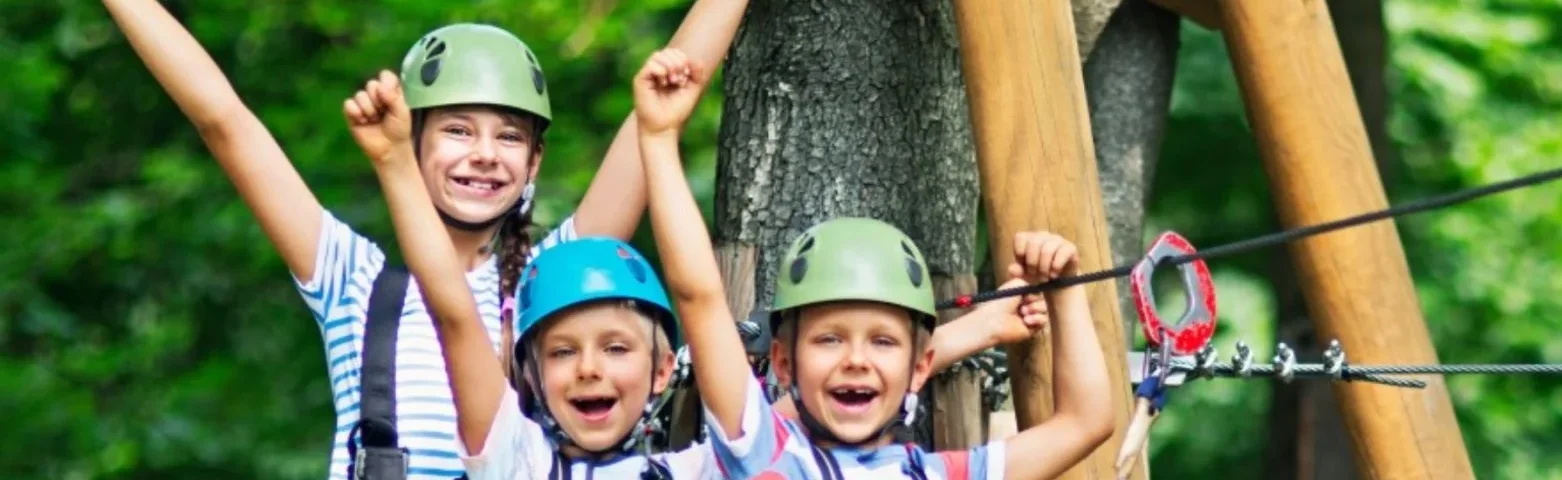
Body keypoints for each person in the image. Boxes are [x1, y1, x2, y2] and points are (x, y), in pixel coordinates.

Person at [101, 0, 745, 477]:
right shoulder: (352, 279)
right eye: (458, 131)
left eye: (509, 137)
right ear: (411, 142)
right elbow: (223, 121)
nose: (485, 155)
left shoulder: (549, 284)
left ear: (535, 163)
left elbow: (664, 105)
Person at [349, 47, 1054, 479]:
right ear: (528, 374)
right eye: (563, 353)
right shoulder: (516, 464)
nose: (590, 369)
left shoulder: (711, 463)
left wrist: (976, 332)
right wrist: (392, 163)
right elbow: (454, 316)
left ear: (663, 371)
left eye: (616, 348)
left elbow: (805, 382)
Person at [633, 48, 1117, 479]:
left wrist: (1066, 291)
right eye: (829, 339)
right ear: (782, 361)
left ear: (921, 367)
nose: (856, 360)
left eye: (882, 341)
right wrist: (658, 139)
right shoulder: (759, 447)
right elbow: (699, 295)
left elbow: (1085, 423)